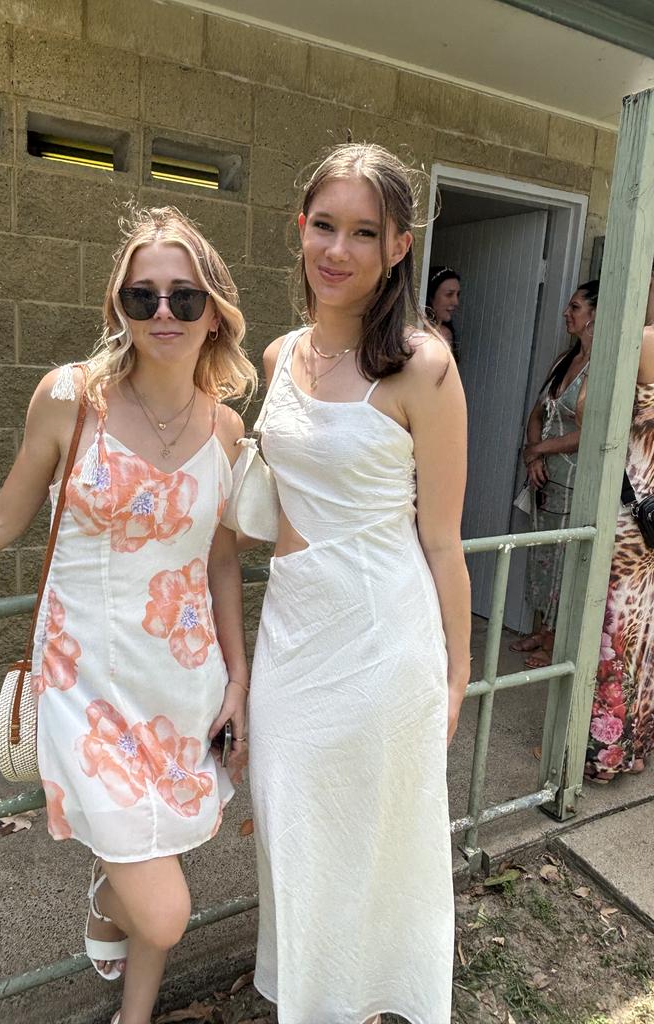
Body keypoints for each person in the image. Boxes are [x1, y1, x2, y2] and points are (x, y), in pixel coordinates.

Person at [0, 206, 256, 1024]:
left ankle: (133, 1017)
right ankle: (109, 890)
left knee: (163, 853)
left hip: (183, 684)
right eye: (142, 296)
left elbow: (222, 557)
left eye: (184, 299)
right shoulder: (69, 397)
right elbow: (1, 517)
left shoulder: (228, 429)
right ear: (118, 306)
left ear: (214, 313)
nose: (163, 314)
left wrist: (239, 675)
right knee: (162, 909)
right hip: (83, 684)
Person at [248, 144, 470, 1024]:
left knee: (377, 849)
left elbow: (446, 543)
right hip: (292, 638)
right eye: (325, 226)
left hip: (384, 644)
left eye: (364, 232)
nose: (338, 250)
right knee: (296, 837)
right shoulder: (275, 357)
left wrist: (456, 675)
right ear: (301, 230)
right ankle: (313, 1001)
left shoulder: (425, 366)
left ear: (399, 247)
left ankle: (377, 1004)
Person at [585, 273, 654, 782]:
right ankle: (635, 748)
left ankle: (603, 754)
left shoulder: (644, 342)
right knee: (643, 631)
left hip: (631, 516)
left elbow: (589, 408)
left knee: (614, 631)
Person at [511, 280, 599, 668]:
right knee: (543, 553)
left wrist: (539, 449)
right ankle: (541, 630)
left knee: (565, 560)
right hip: (545, 478)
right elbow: (536, 414)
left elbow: (590, 433)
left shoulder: (600, 368)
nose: (568, 313)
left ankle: (555, 641)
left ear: (594, 315)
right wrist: (533, 459)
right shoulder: (564, 360)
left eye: (575, 307)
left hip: (575, 481)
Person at [425, 265, 461, 359]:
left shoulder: (446, 333)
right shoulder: (417, 334)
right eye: (449, 294)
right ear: (431, 296)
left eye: (458, 295)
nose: (456, 302)